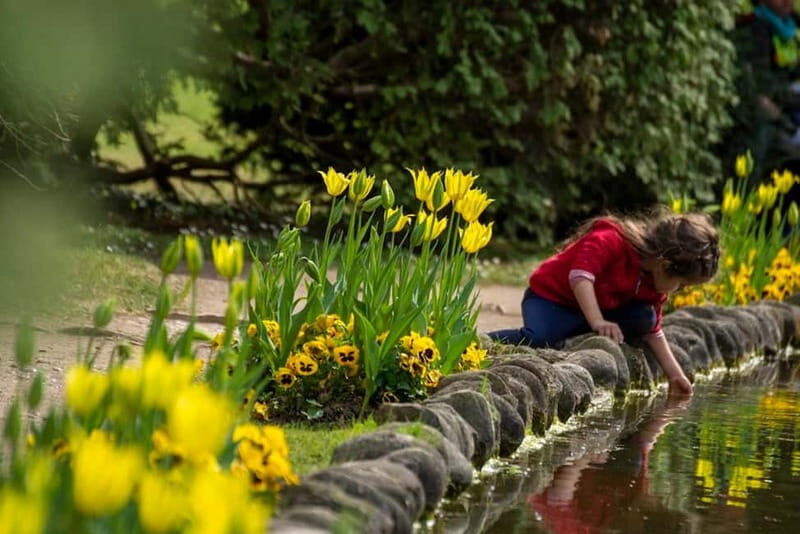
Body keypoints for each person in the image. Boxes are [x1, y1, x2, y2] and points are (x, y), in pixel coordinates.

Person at [487, 209, 720, 395]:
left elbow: (654, 330)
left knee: (644, 318)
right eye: (682, 284)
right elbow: (580, 277)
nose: (679, 291)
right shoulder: (612, 240)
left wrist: (675, 375)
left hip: (595, 313)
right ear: (664, 264)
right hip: (552, 300)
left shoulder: (653, 282)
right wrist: (598, 321)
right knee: (539, 338)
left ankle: (571, 339)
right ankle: (481, 343)